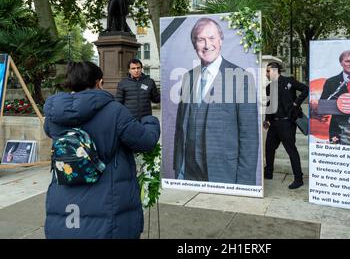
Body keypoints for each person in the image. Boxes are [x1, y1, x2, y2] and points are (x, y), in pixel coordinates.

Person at [43, 61, 160, 239]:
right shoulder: (114, 111)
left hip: (65, 197)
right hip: (108, 198)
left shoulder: (54, 115)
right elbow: (145, 141)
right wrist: (150, 122)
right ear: (99, 82)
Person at [173, 17, 258, 185]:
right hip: (188, 172)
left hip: (224, 172)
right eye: (201, 39)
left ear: (221, 41)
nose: (207, 45)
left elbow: (249, 137)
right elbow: (181, 128)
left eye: (211, 38)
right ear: (194, 44)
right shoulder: (187, 77)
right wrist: (179, 169)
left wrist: (244, 184)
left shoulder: (241, 77)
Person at [263, 62, 308, 189]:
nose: (266, 74)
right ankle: (269, 173)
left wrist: (296, 103)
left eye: (268, 71)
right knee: (269, 148)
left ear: (275, 71)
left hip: (287, 123)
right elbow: (269, 105)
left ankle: (298, 179)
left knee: (291, 150)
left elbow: (306, 89)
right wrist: (267, 119)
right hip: (274, 123)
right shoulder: (268, 87)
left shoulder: (289, 81)